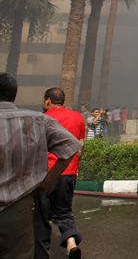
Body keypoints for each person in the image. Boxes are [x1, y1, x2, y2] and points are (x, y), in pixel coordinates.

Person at [0, 73, 82, 259]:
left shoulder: (44, 116)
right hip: (18, 205)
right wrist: (45, 182)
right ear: (14, 94)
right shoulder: (36, 120)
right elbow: (72, 146)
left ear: (47, 101)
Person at [33, 87, 85, 259]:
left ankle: (42, 254)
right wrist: (74, 167)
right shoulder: (77, 117)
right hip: (68, 173)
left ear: (47, 101)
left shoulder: (41, 119)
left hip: (45, 175)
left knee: (41, 217)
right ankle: (71, 243)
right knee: (64, 212)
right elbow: (79, 147)